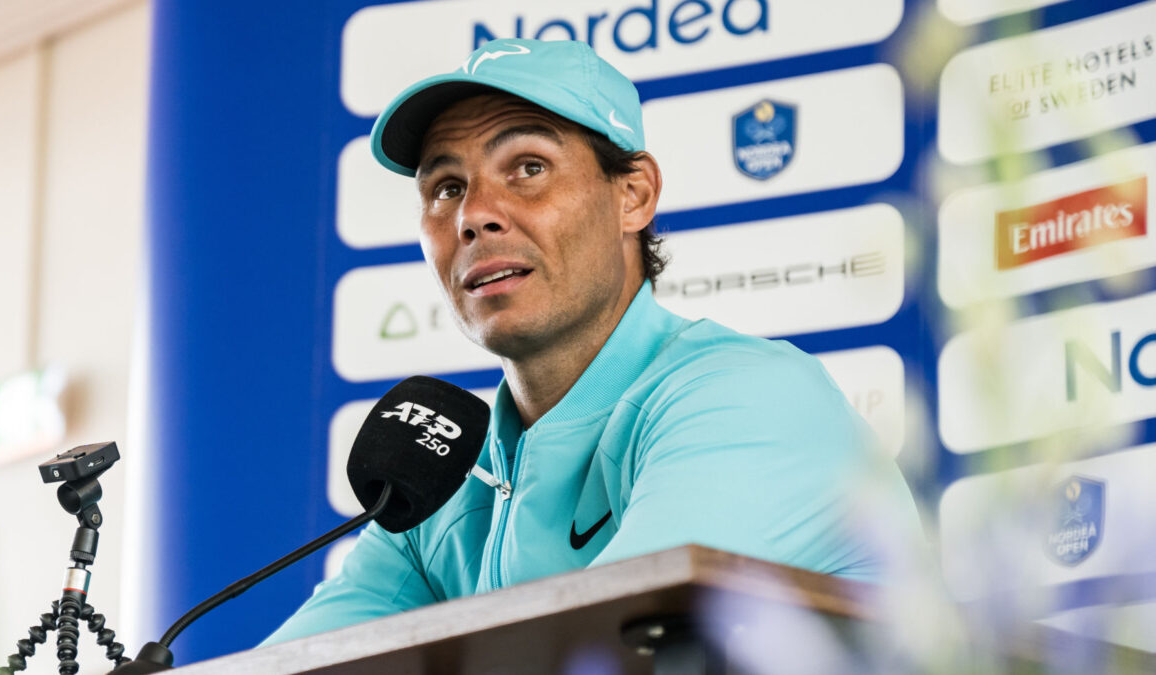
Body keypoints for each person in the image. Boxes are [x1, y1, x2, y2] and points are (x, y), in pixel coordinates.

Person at [263, 38, 922, 644]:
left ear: (634, 195)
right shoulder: (443, 479)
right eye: (447, 187)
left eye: (527, 167)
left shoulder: (747, 396)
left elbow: (601, 650)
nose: (473, 215)